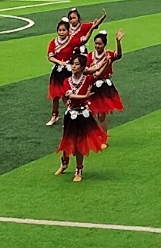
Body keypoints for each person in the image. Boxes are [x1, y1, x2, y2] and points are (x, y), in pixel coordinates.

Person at [55, 54, 107, 182]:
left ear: (83, 67)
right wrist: (85, 96)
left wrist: (108, 61)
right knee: (67, 140)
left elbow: (99, 73)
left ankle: (79, 170)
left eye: (77, 64)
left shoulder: (87, 79)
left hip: (83, 114)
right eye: (72, 64)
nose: (73, 66)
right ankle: (64, 163)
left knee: (80, 143)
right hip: (71, 114)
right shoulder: (67, 81)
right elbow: (70, 96)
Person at [87, 30, 125, 139]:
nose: (97, 46)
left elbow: (118, 55)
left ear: (104, 45)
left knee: (101, 114)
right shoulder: (90, 56)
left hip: (104, 87)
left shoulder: (108, 55)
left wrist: (118, 42)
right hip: (92, 86)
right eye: (96, 43)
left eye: (100, 44)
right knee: (90, 113)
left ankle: (103, 138)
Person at [46, 20, 80, 126]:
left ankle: (70, 117)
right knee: (55, 96)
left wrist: (91, 28)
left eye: (64, 30)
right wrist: (59, 62)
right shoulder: (53, 42)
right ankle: (54, 116)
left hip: (68, 72)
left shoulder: (71, 41)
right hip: (57, 72)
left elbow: (82, 41)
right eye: (60, 30)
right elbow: (50, 56)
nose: (61, 32)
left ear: (68, 31)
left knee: (67, 96)